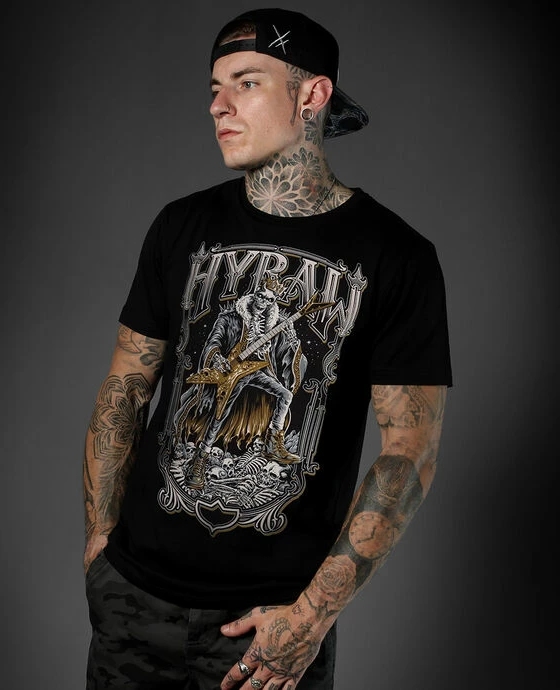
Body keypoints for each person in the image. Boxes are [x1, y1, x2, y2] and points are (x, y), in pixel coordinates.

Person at [83, 8, 452, 690]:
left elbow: (410, 452)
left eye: (246, 83)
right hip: (132, 599)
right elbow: (125, 388)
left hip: (267, 630)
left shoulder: (398, 256)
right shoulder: (180, 224)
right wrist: (100, 546)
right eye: (214, 87)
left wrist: (311, 618)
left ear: (312, 95)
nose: (218, 105)